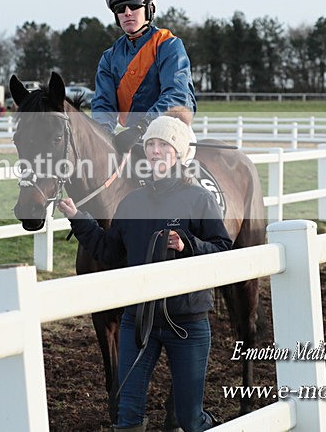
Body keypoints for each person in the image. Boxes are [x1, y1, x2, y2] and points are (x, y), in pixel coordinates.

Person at [58, 115, 229, 431]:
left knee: (189, 418)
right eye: (151, 144)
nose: (155, 151)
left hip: (187, 322)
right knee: (127, 417)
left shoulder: (199, 199)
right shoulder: (131, 203)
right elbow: (108, 250)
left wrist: (188, 245)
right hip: (137, 322)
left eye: (163, 144)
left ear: (178, 153)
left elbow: (223, 251)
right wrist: (78, 217)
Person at [92, 0, 197, 154]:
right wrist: (102, 137)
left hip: (171, 134)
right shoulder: (109, 58)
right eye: (120, 8)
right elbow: (103, 105)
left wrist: (141, 127)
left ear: (150, 9)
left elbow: (177, 95)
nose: (127, 12)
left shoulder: (168, 45)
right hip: (132, 138)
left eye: (134, 5)